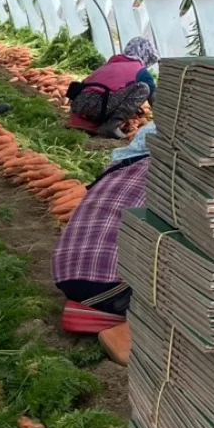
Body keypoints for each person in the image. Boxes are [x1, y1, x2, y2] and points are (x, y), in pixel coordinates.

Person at [51, 125, 156, 364]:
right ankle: (132, 332)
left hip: (68, 273)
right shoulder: (172, 177)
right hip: (111, 283)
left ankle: (98, 310)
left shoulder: (120, 167)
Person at [66, 37, 159, 139]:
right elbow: (155, 102)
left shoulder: (112, 63)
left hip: (78, 106)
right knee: (143, 88)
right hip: (97, 108)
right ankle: (111, 127)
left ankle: (81, 122)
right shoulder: (141, 72)